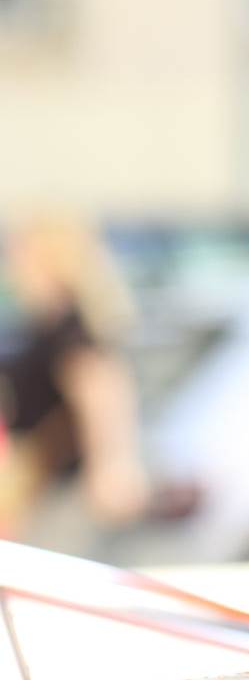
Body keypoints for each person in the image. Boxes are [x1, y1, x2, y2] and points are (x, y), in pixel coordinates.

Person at [0, 213, 150, 535]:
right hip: (42, 482)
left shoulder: (71, 324)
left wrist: (112, 463)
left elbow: (100, 390)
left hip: (65, 486)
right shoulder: (47, 323)